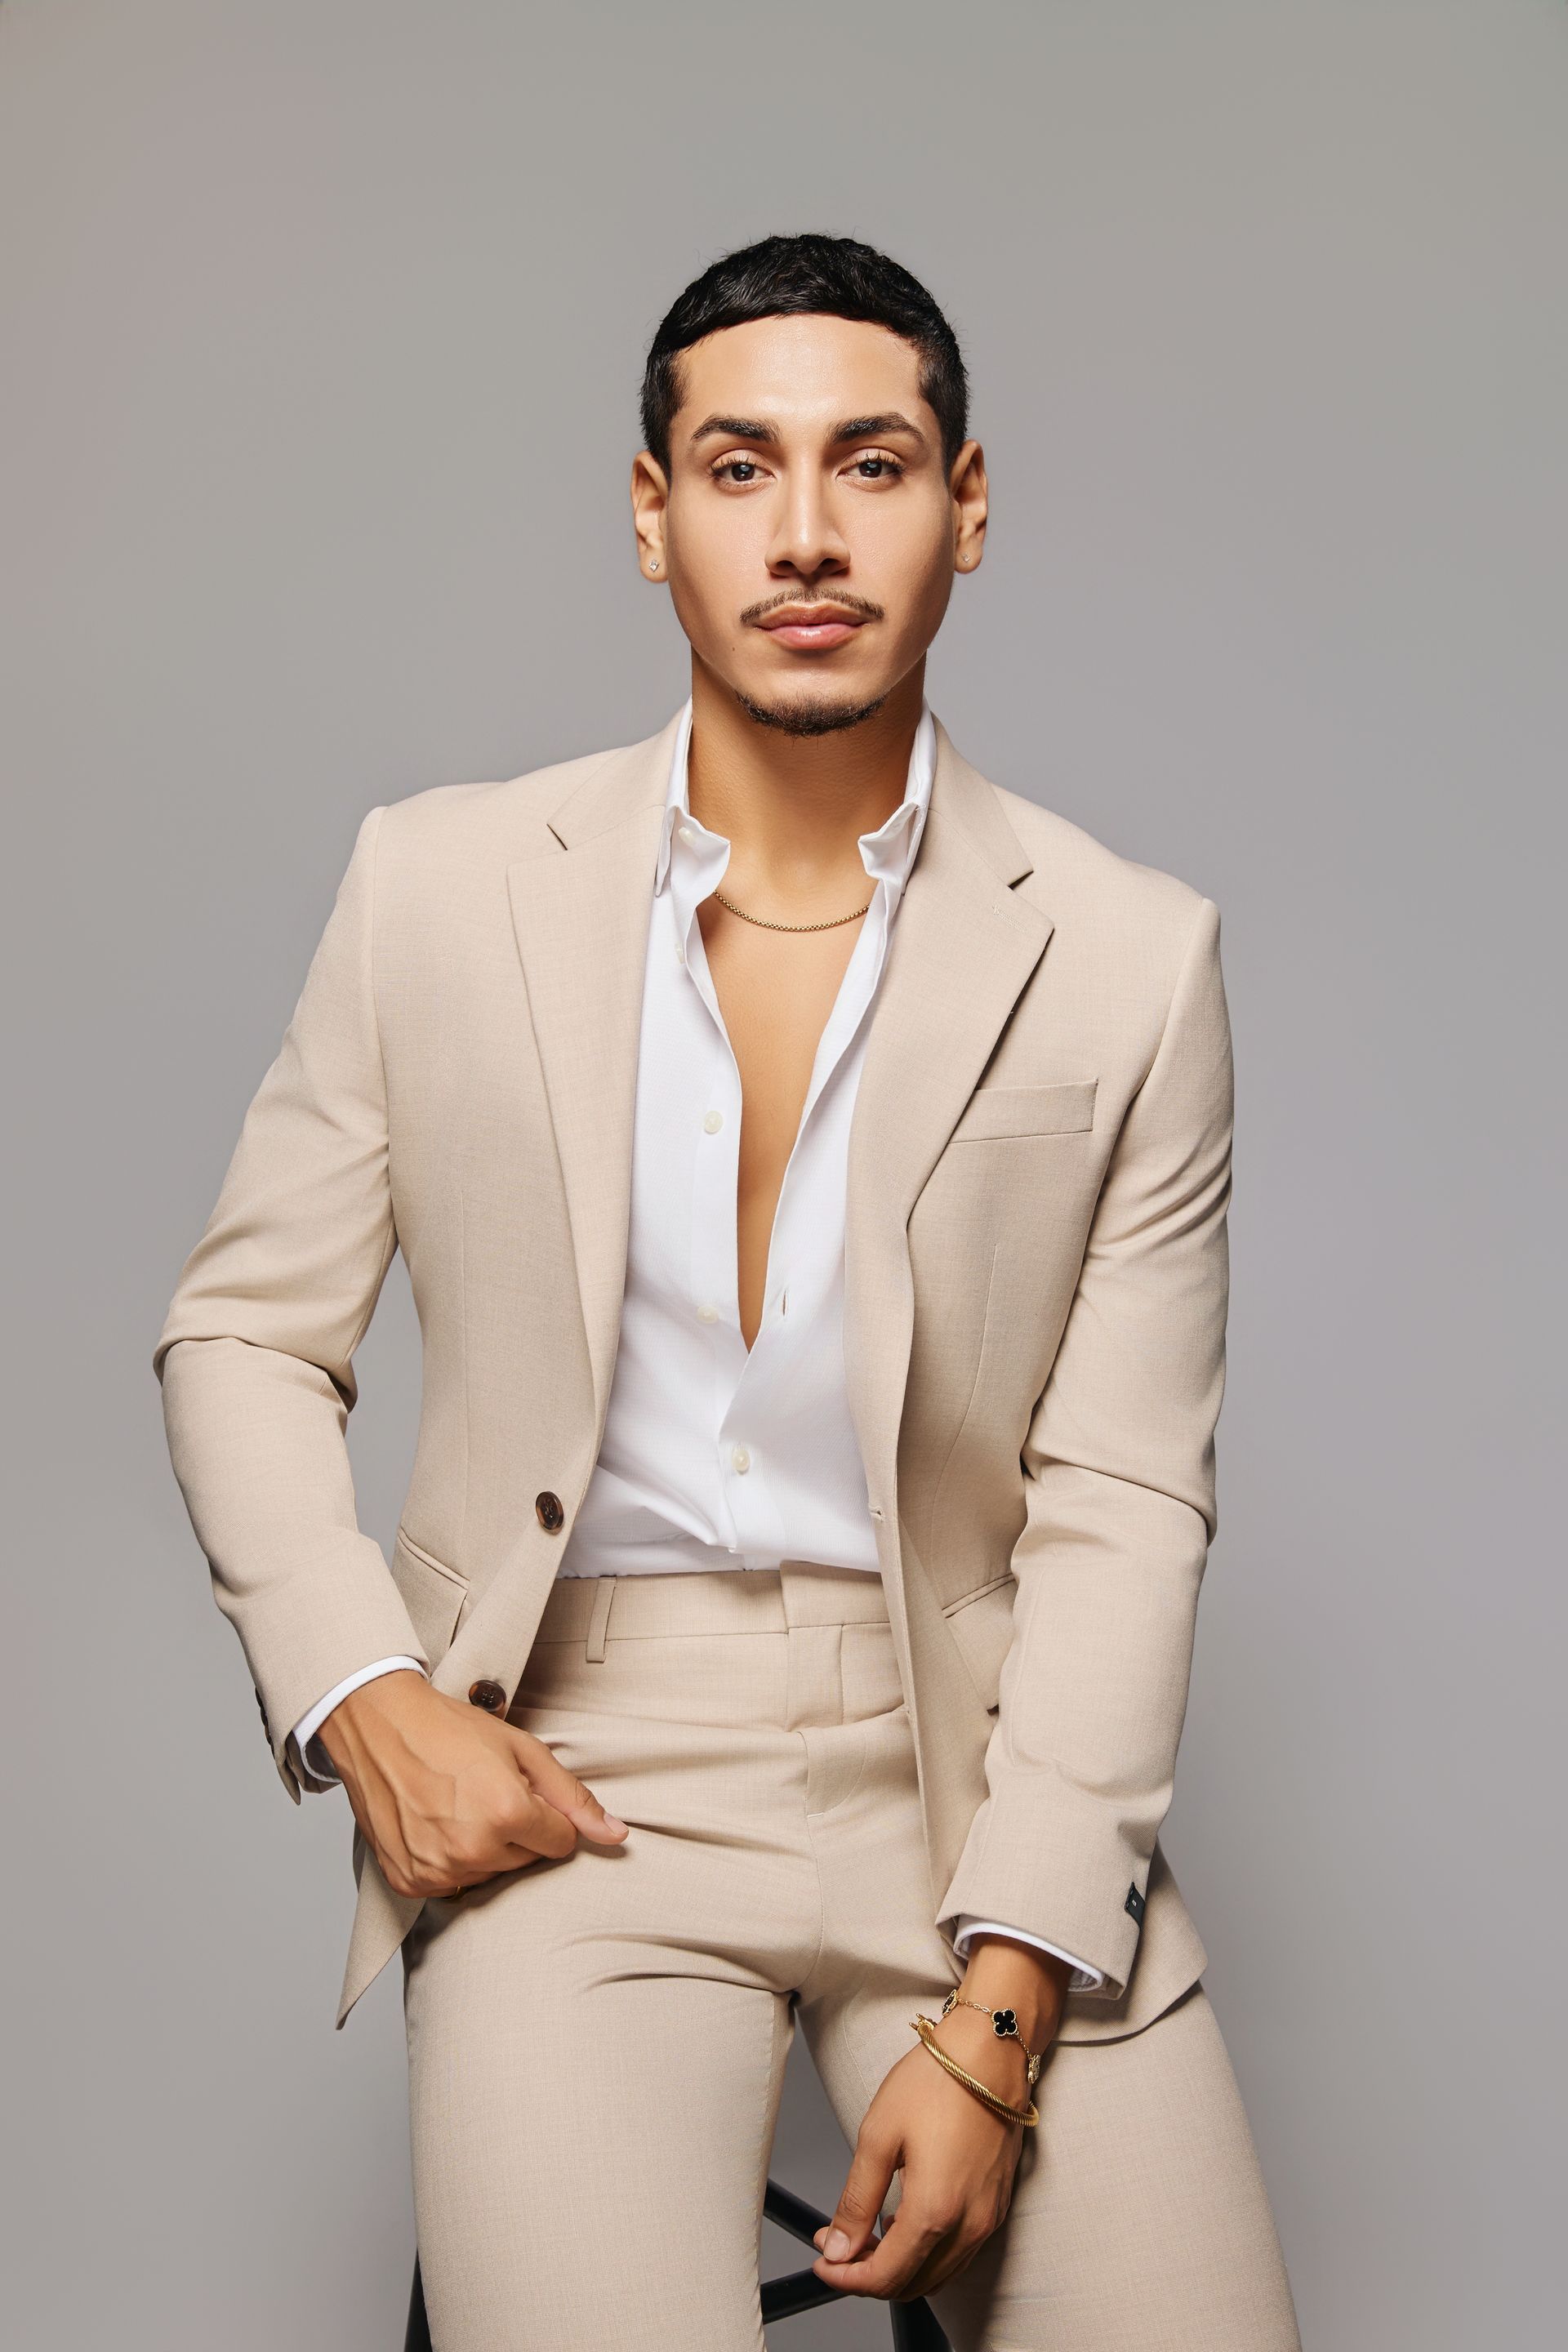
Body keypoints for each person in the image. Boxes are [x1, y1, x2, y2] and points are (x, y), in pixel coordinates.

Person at [154, 232, 1302, 2350]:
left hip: (974, 1768)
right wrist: (362, 1694)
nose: (803, 532)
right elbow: (243, 1332)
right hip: (579, 1772)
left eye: (869, 465)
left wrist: (1003, 2010)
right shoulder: (440, 882)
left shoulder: (1136, 955)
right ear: (650, 511)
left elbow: (1126, 1498)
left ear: (966, 506)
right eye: (738, 464)